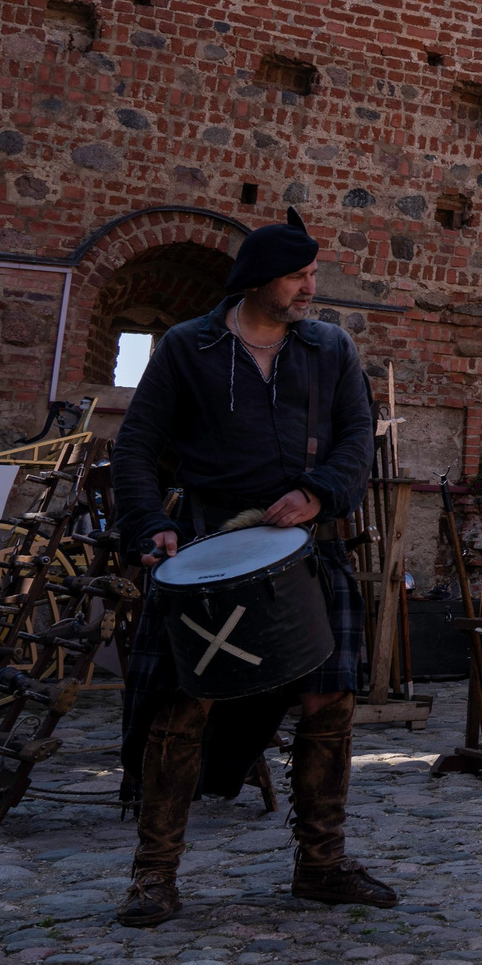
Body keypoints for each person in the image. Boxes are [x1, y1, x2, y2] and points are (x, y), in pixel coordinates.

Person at [108, 209, 392, 926]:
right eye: (298, 275)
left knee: (330, 701)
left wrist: (320, 491)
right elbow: (136, 445)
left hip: (307, 547)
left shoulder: (330, 348)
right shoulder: (187, 347)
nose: (309, 286)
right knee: (183, 704)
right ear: (258, 280)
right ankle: (153, 875)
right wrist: (151, 524)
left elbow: (359, 436)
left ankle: (321, 864)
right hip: (208, 548)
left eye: (311, 273)